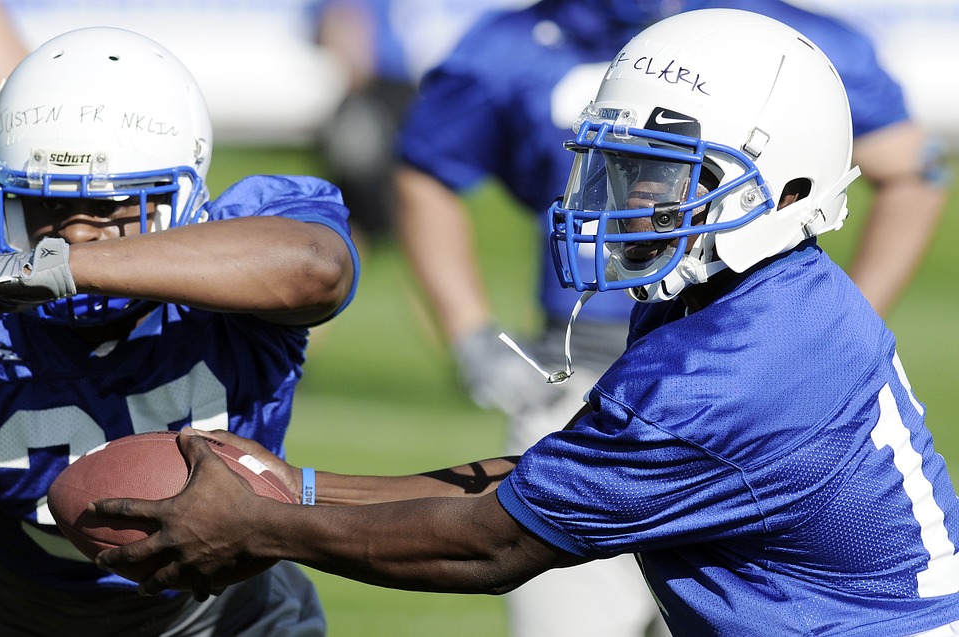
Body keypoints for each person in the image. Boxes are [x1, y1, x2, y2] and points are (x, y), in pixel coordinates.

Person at [92, 9, 959, 637]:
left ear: (790, 188)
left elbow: (493, 542)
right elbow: (538, 477)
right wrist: (298, 486)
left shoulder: (735, 366)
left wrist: (264, 526)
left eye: (659, 177)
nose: (623, 202)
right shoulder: (745, 299)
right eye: (617, 170)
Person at [394, 1, 947, 633]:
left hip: (740, 393)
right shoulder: (516, 41)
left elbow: (913, 168)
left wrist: (814, 347)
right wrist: (469, 328)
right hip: (583, 371)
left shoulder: (782, 48)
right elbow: (428, 169)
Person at [0, 26, 359, 636]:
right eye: (50, 206)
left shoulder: (238, 252)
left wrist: (62, 271)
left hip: (226, 617)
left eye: (116, 208)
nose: (78, 233)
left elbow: (316, 269)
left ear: (182, 202)